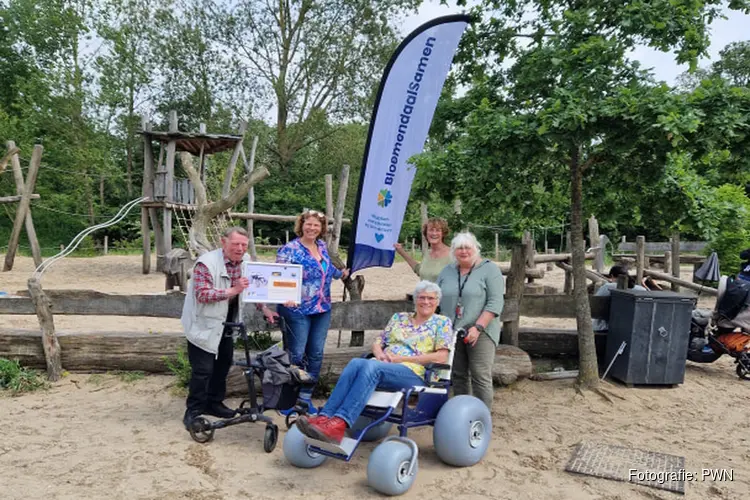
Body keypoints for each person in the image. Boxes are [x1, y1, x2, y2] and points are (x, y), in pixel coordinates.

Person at [294, 281, 453, 444]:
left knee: (372, 365)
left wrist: (401, 359)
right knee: (356, 362)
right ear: (415, 300)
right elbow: (379, 340)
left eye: (431, 298)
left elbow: (441, 357)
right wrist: (379, 353)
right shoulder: (399, 318)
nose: (426, 302)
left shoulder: (442, 323)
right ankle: (324, 417)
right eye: (422, 298)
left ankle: (340, 422)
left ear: (437, 301)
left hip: (414, 372)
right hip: (384, 365)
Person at [180, 227, 273, 429]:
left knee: (223, 364)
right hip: (203, 321)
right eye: (235, 244)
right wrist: (234, 290)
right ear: (223, 242)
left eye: (243, 245)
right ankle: (194, 409)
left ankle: (214, 403)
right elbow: (202, 294)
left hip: (228, 319)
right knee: (202, 369)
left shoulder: (246, 261)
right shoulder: (206, 263)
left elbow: (254, 289)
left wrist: (264, 308)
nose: (240, 249)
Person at [274, 210, 350, 404]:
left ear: (321, 229)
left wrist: (340, 274)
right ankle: (287, 397)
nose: (312, 228)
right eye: (309, 224)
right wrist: (284, 297)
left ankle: (305, 397)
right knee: (296, 354)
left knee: (316, 353)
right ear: (301, 225)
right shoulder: (289, 249)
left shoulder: (322, 246)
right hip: (297, 309)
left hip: (321, 308)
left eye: (316, 225)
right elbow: (278, 276)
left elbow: (325, 270)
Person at [437, 232, 504, 410]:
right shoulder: (447, 271)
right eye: (459, 248)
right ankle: (462, 412)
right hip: (452, 330)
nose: (464, 251)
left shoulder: (490, 269)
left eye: (468, 247)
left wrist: (478, 327)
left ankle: (482, 415)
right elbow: (436, 297)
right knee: (457, 374)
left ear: (476, 248)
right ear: (453, 251)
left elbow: (495, 302)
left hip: (481, 330)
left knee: (480, 374)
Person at [394, 217, 452, 283]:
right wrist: (401, 251)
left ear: (443, 233)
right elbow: (419, 270)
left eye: (438, 230)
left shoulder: (453, 255)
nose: (434, 233)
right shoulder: (428, 253)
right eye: (431, 230)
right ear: (426, 233)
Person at [592, 265, 646, 332]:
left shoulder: (607, 287)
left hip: (607, 327)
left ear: (612, 276)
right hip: (633, 326)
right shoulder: (642, 290)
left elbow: (594, 306)